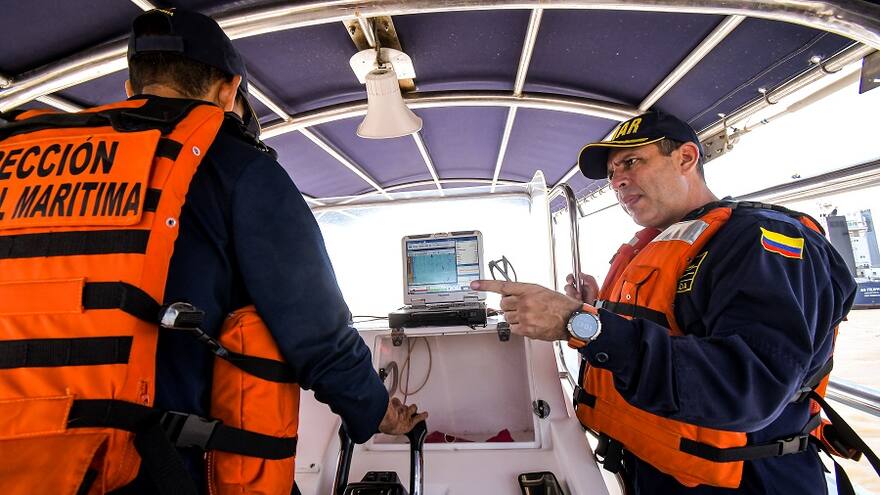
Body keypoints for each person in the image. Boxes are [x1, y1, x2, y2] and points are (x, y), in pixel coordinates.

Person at [0, 8, 425, 495]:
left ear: (131, 87)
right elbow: (318, 333)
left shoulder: (22, 160)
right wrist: (375, 412)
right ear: (229, 90)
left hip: (25, 459)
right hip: (164, 467)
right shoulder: (240, 169)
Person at [473, 110, 860, 493]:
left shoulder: (760, 241)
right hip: (653, 469)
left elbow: (747, 387)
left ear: (686, 158)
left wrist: (578, 321)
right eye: (611, 174)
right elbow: (667, 327)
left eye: (631, 162)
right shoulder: (660, 243)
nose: (618, 181)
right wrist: (597, 308)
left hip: (742, 482)